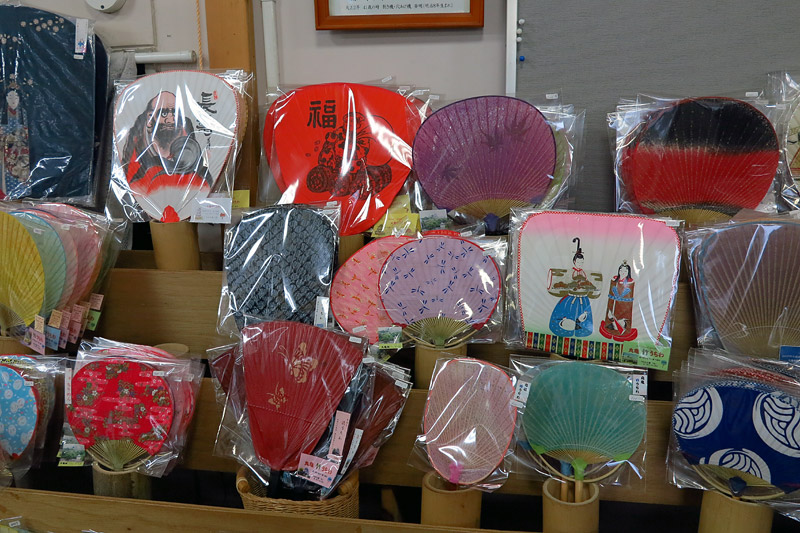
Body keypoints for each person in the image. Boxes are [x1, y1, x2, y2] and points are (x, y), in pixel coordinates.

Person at [121, 91, 210, 186]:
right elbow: (129, 181)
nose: (170, 120)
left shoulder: (189, 143)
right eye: (163, 113)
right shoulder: (137, 142)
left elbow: (205, 181)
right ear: (150, 118)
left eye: (175, 113)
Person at [549, 237, 593, 337]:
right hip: (571, 297)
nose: (580, 264)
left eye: (581, 262)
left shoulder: (583, 272)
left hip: (583, 298)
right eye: (578, 262)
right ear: (574, 261)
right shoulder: (570, 272)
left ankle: (579, 330)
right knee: (567, 316)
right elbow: (566, 283)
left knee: (583, 316)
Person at [1, 84, 30, 196]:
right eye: (10, 97)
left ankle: (23, 192)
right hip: (7, 148)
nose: (13, 100)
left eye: (16, 97)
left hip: (21, 148)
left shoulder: (24, 113)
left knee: (23, 168)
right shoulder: (2, 114)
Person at [599, 261, 638, 342]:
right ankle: (612, 326)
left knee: (623, 317)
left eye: (625, 271)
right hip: (613, 302)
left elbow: (629, 292)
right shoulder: (615, 279)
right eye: (621, 270)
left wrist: (620, 296)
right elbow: (612, 290)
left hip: (624, 304)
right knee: (611, 314)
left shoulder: (630, 281)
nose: (623, 272)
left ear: (628, 272)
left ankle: (622, 328)